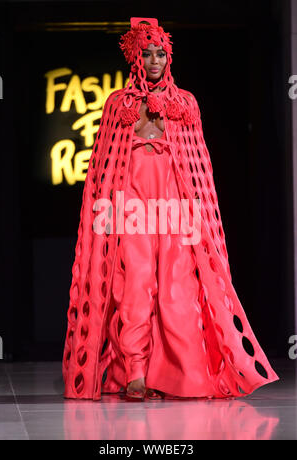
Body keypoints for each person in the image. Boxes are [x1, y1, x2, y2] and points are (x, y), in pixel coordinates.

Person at [62, 17, 279, 402]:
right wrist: (104, 215)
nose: (155, 60)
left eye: (161, 53)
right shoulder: (118, 105)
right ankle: (135, 372)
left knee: (177, 292)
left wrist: (200, 218)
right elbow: (102, 167)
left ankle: (178, 374)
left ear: (169, 57)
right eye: (146, 54)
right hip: (131, 208)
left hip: (175, 209)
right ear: (134, 59)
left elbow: (198, 168)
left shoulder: (185, 103)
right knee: (135, 286)